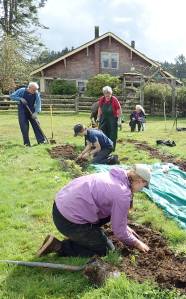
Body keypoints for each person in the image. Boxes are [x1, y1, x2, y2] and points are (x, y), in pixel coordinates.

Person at [37, 164, 151, 258]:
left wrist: (123, 225)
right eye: (143, 186)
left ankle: (85, 236)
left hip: (60, 206)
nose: (141, 190)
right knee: (107, 251)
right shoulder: (122, 194)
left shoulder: (117, 176)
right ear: (140, 181)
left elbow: (116, 213)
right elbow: (119, 232)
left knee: (110, 217)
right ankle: (58, 246)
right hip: (68, 221)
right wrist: (136, 242)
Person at [10, 82, 45, 146]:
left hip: (32, 110)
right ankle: (27, 143)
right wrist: (20, 98)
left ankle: (41, 141)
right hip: (22, 111)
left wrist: (36, 113)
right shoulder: (22, 91)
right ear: (29, 88)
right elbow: (12, 96)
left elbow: (38, 103)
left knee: (37, 124)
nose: (35, 91)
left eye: (36, 90)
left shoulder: (36, 93)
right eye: (33, 90)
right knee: (24, 127)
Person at [97, 86, 122, 151]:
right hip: (104, 118)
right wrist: (98, 117)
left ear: (111, 94)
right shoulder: (102, 99)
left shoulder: (114, 99)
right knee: (102, 131)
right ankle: (103, 146)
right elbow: (100, 108)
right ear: (104, 94)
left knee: (112, 133)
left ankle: (111, 147)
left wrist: (119, 120)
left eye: (109, 95)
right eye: (106, 95)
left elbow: (119, 109)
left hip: (112, 118)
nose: (108, 96)